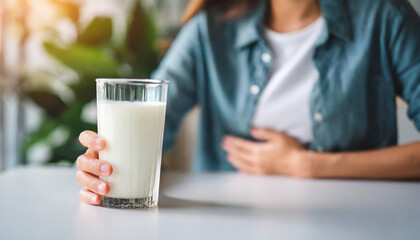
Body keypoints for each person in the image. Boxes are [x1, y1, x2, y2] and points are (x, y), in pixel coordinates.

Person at [75, 0, 420, 205]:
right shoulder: (210, 28)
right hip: (229, 220)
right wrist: (103, 164)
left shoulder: (386, 17)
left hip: (360, 220)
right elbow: (145, 132)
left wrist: (307, 165)